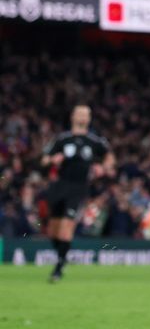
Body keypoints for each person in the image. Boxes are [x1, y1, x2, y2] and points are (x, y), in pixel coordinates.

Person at [40, 105, 114, 282]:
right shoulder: (61, 139)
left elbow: (110, 157)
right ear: (72, 116)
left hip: (79, 188)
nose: (82, 117)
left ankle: (58, 269)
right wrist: (52, 159)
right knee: (53, 231)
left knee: (67, 227)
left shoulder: (95, 141)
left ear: (89, 119)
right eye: (79, 113)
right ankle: (63, 257)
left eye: (85, 114)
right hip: (60, 186)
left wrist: (103, 167)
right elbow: (43, 160)